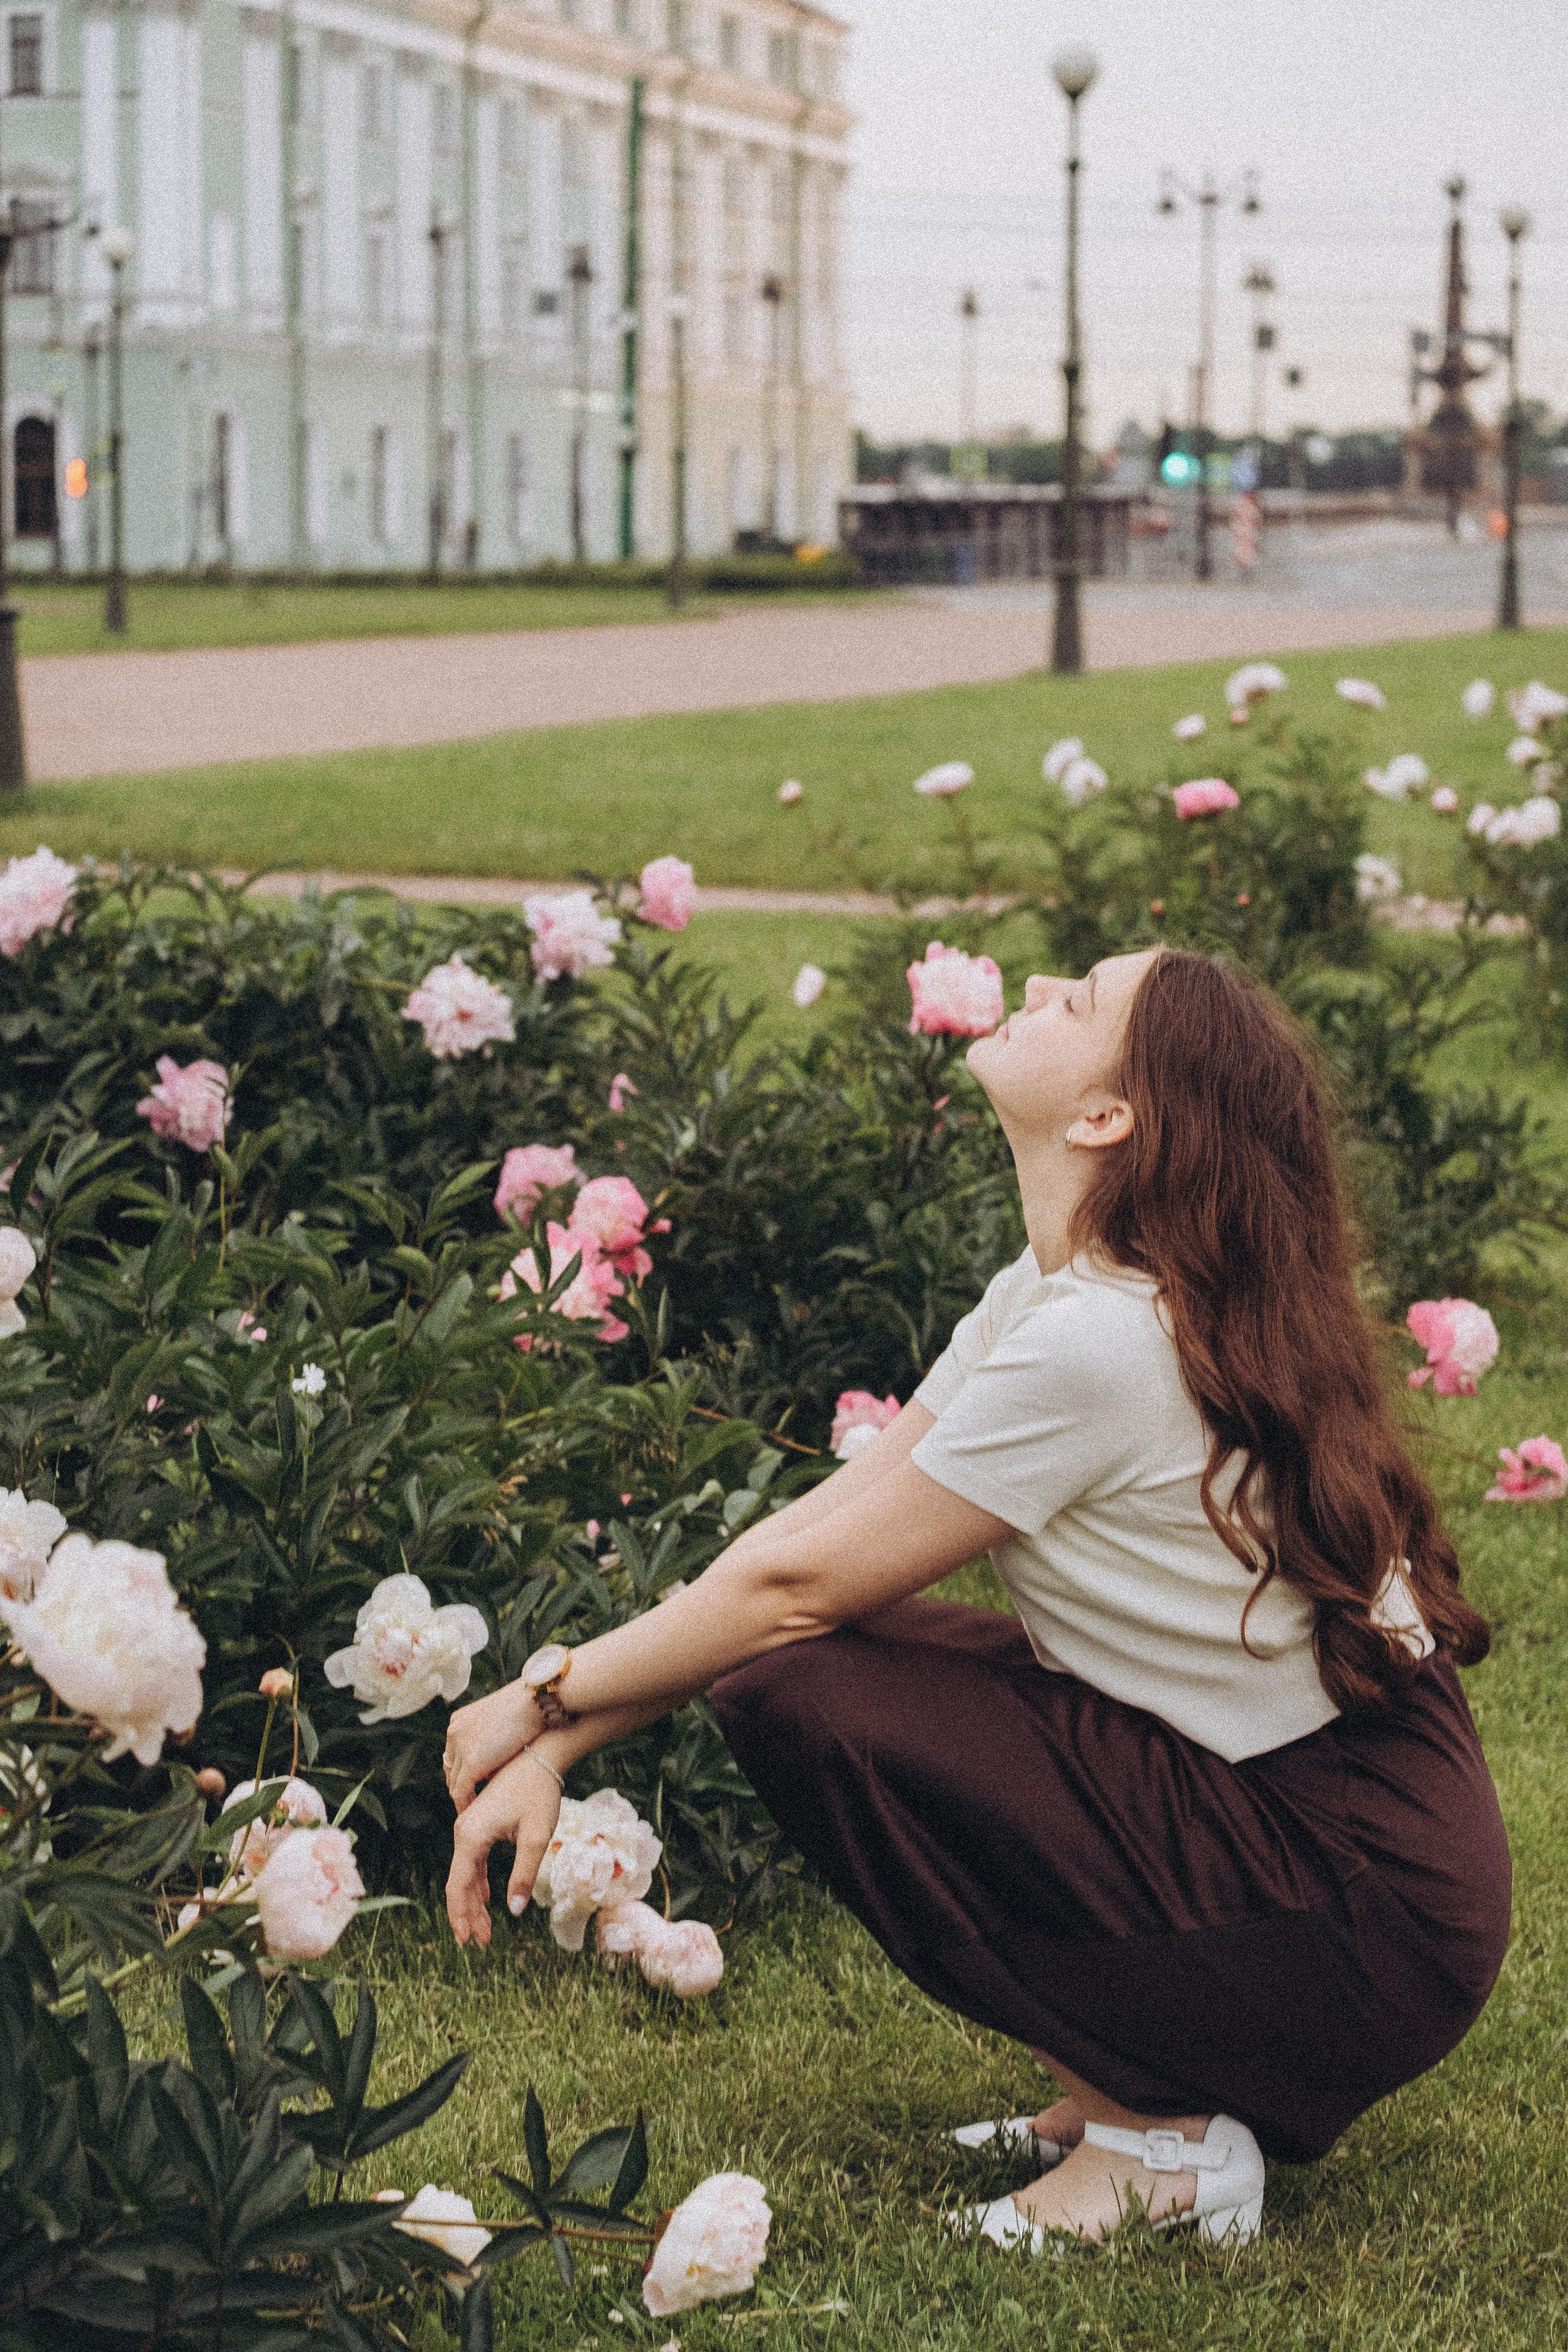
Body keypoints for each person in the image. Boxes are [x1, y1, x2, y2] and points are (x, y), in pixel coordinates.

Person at [442, 947, 1511, 2248]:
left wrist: (540, 1696)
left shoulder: (1106, 1343)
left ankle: (1164, 2143)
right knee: (806, 1667)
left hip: (1365, 1895)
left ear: (1105, 1117)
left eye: (1080, 1000)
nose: (1042, 988)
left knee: (808, 1692)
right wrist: (559, 1735)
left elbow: (790, 1591)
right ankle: (1123, 2082)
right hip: (1327, 1827)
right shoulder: (1060, 1293)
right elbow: (812, 1540)